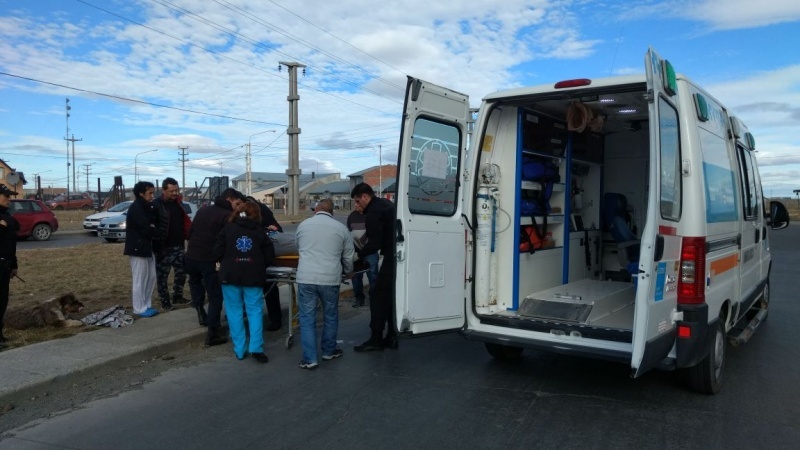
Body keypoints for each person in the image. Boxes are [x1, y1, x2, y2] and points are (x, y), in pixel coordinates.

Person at [295, 199, 354, 369]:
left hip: (306, 278)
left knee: (307, 318)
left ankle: (309, 359)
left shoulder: (303, 225)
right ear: (332, 212)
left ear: (316, 209)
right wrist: (349, 271)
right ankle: (329, 351)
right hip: (330, 279)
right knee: (330, 315)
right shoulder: (340, 228)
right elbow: (348, 255)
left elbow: (298, 246)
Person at [213, 200, 275, 363]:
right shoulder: (260, 232)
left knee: (234, 311)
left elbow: (217, 251)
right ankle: (256, 347)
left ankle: (240, 349)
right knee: (254, 311)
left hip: (230, 275)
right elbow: (269, 256)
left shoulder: (227, 229)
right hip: (253, 276)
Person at [185, 188, 244, 346]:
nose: (237, 207)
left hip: (191, 255)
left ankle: (200, 311)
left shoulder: (203, 210)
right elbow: (228, 239)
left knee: (195, 282)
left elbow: (189, 232)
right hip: (209, 259)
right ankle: (212, 333)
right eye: (236, 203)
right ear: (230, 199)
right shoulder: (227, 216)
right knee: (215, 295)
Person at [350, 183, 397, 352]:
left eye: (357, 201)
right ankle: (392, 336)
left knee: (377, 296)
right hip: (399, 254)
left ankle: (376, 338)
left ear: (365, 196)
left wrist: (359, 255)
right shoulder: (387, 204)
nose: (356, 206)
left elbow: (375, 242)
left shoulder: (373, 213)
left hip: (391, 257)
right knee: (391, 297)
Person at [153, 177, 192, 311]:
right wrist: (158, 244)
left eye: (177, 190)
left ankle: (178, 296)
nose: (175, 193)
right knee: (162, 276)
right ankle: (165, 302)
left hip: (179, 245)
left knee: (181, 272)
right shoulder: (157, 204)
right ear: (163, 190)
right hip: (164, 247)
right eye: (172, 191)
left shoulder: (179, 203)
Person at [246, 196, 284, 331]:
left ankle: (275, 319)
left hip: (260, 261)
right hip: (262, 261)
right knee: (269, 290)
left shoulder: (261, 220)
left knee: (267, 289)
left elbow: (277, 233)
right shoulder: (262, 215)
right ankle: (275, 319)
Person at [123, 181, 160, 318]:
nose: (152, 195)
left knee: (151, 277)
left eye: (153, 192)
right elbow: (146, 227)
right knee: (140, 278)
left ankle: (146, 304)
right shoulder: (137, 207)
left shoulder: (148, 206)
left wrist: (153, 228)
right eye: (149, 193)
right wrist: (155, 229)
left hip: (147, 247)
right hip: (138, 248)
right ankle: (138, 308)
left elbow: (153, 224)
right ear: (140, 193)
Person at [347, 205, 378, 308]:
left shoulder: (371, 215)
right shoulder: (351, 216)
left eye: (358, 202)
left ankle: (374, 299)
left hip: (370, 252)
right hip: (355, 253)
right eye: (355, 203)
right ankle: (359, 299)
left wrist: (363, 241)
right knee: (355, 277)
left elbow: (375, 233)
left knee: (373, 276)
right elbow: (348, 233)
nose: (356, 205)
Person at [0, 184, 20, 347]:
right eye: (5, 196)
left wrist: (14, 265)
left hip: (5, 266)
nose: (9, 199)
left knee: (2, 301)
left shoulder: (6, 216)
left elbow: (10, 243)